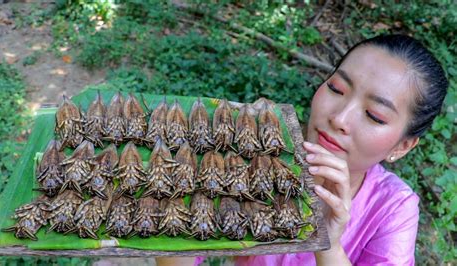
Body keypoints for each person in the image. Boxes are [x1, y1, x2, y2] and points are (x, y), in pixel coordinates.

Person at [156, 34, 449, 266]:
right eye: (336, 88)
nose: (340, 119)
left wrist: (328, 242)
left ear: (402, 146)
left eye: (374, 115)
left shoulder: (393, 208)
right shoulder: (262, 159)